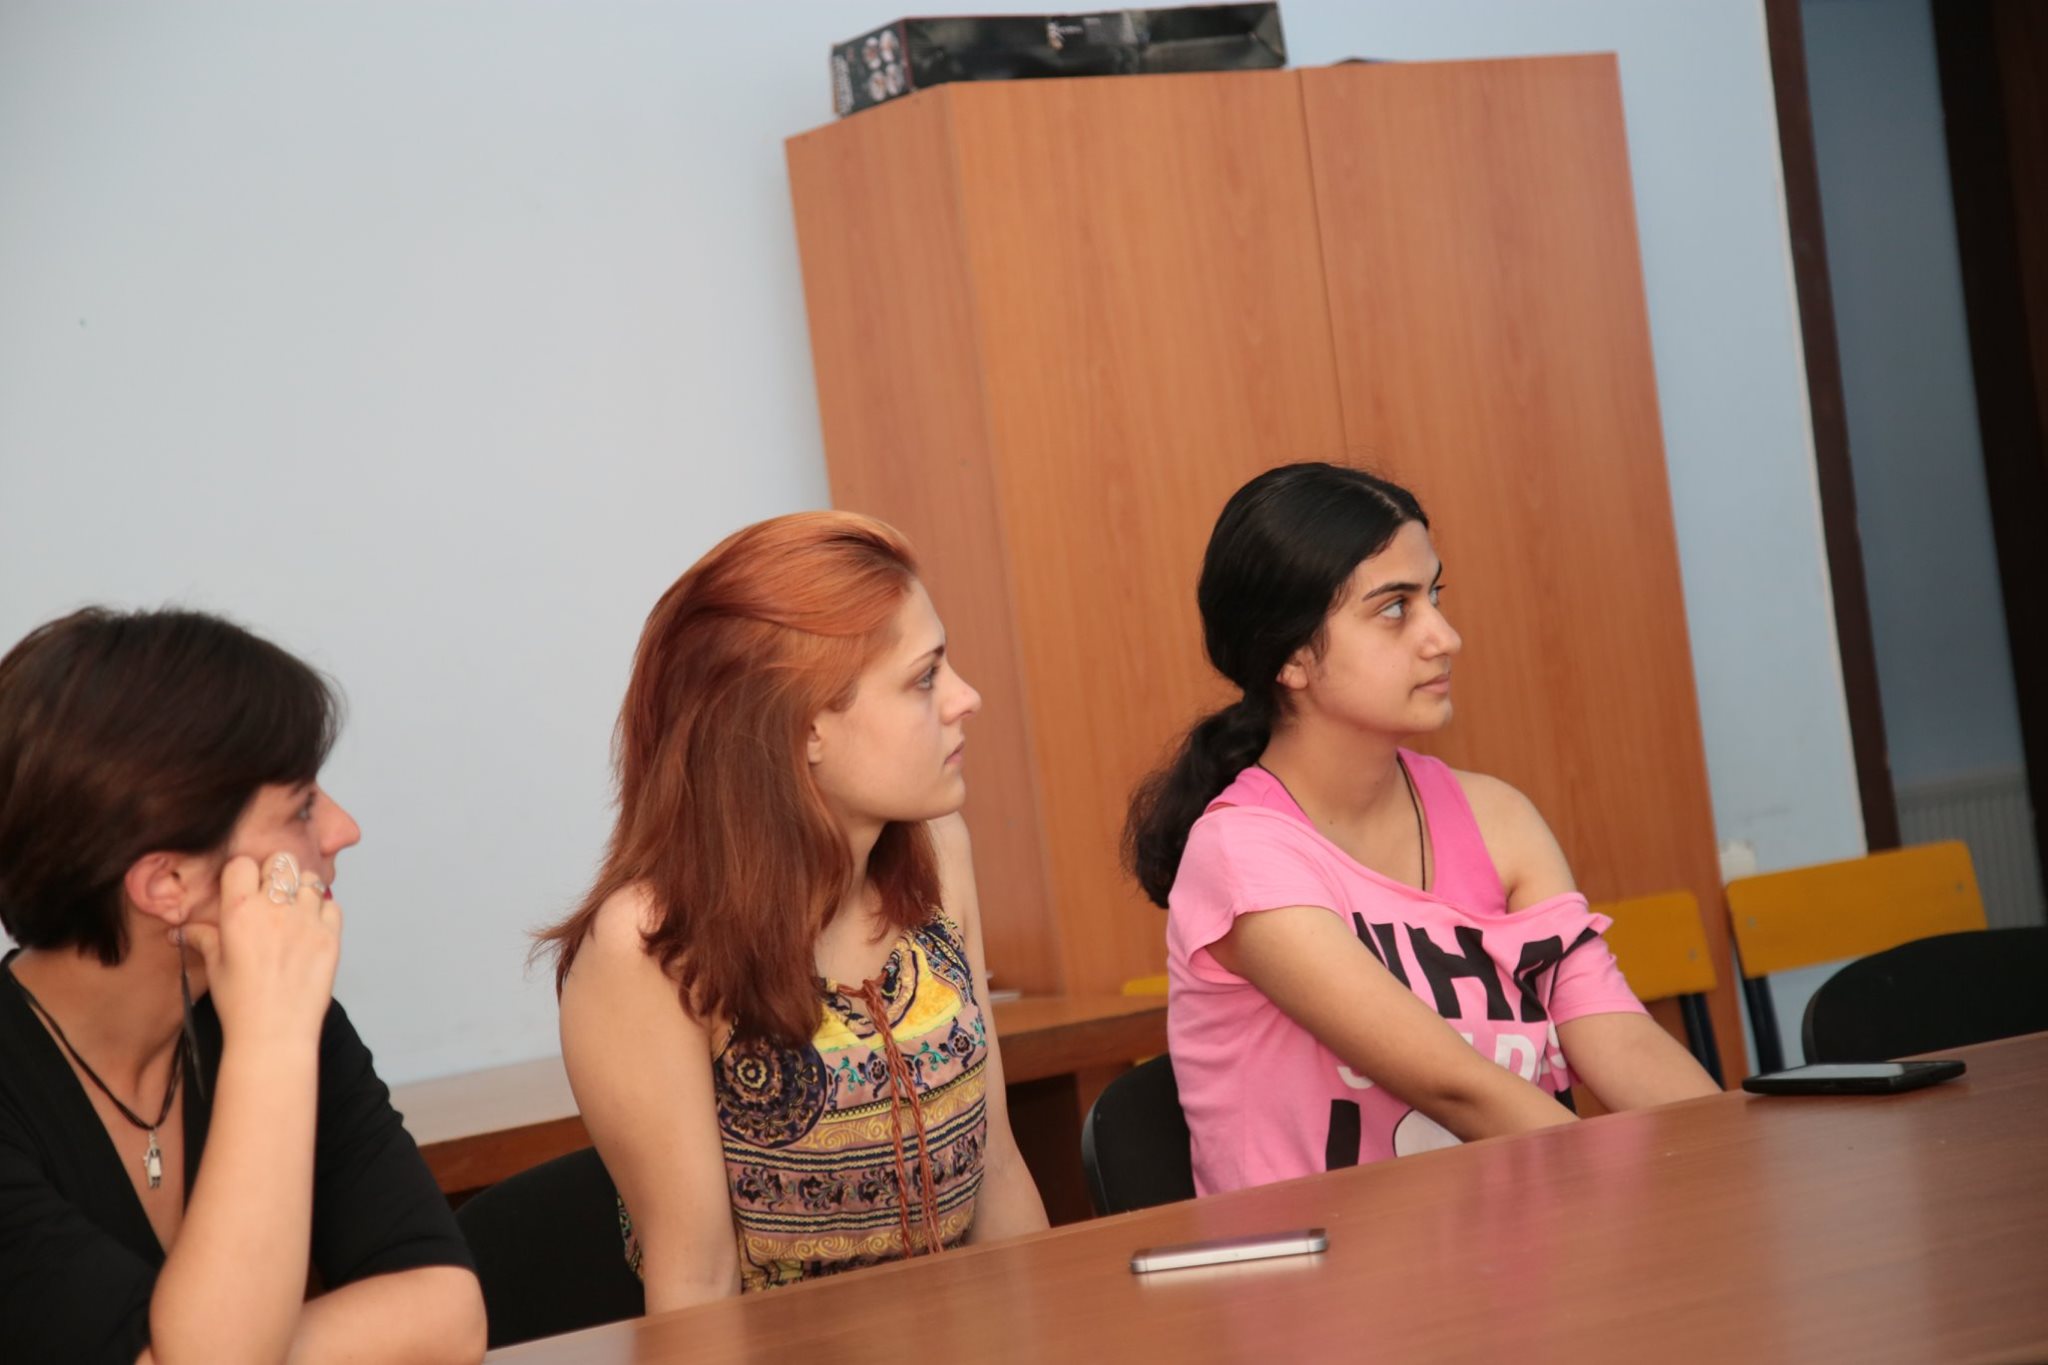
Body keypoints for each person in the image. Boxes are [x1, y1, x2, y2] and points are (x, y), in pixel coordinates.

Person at [1125, 463, 1719, 1197]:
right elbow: (1458, 1089)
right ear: (1291, 656)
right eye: (1394, 608)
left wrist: (1737, 1162)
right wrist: (1611, 1192)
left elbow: (1617, 1035)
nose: (1445, 636)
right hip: (1326, 1267)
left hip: (1518, 1248)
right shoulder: (1242, 854)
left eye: (1434, 595)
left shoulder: (1499, 817)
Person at [540, 511, 1047, 1311]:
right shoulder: (645, 947)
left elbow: (998, 1173)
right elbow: (698, 1284)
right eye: (924, 678)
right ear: (805, 727)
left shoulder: (938, 850)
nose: (965, 698)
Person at [0, 608, 486, 1365]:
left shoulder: (274, 1009)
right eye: (301, 808)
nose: (343, 829)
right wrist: (270, 1045)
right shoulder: (272, 1021)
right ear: (167, 882)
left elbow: (446, 1314)